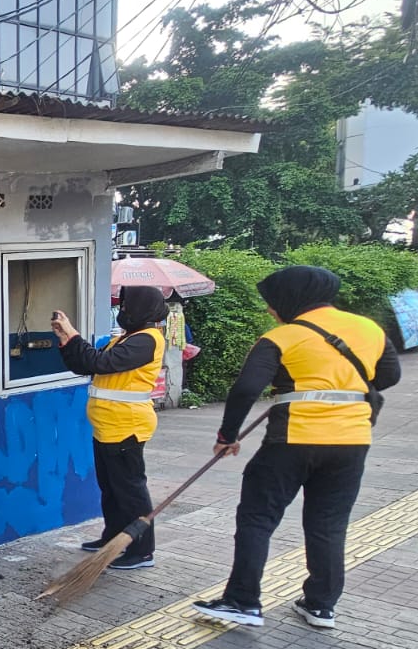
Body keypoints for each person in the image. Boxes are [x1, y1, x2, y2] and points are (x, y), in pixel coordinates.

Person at [192, 265, 400, 630]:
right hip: (351, 441)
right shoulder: (369, 329)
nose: (270, 309)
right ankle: (320, 605)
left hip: (292, 440)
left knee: (257, 517)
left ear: (291, 299)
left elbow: (246, 389)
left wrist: (228, 436)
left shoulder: (282, 337)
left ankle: (242, 601)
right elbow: (389, 376)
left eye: (272, 302)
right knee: (329, 524)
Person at [52, 285, 169, 571]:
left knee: (131, 492)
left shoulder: (147, 340)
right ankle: (114, 538)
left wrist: (74, 334)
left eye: (127, 307)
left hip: (127, 426)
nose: (123, 311)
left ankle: (142, 551)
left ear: (142, 309)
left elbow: (102, 363)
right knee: (111, 488)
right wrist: (66, 340)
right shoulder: (126, 338)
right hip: (107, 425)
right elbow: (86, 364)